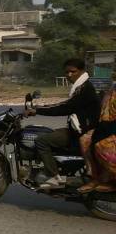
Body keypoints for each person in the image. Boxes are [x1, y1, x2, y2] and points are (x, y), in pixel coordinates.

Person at [26, 58, 100, 189]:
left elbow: (65, 107)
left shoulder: (84, 88)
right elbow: (65, 105)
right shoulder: (81, 86)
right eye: (67, 72)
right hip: (78, 129)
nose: (69, 75)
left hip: (80, 132)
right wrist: (39, 107)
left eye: (73, 71)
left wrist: (37, 110)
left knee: (42, 141)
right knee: (50, 133)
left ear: (82, 71)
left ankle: (52, 176)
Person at [78, 71, 116, 193]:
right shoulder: (113, 87)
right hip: (107, 126)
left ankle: (113, 181)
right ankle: (96, 177)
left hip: (111, 128)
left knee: (102, 145)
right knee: (85, 140)